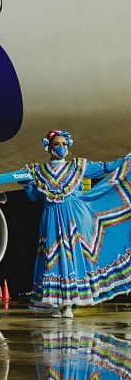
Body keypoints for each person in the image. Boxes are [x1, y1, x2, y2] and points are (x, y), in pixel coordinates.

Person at [22, 130, 131, 317]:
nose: (62, 148)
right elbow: (33, 197)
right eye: (57, 144)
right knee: (52, 255)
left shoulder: (77, 166)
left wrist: (125, 161)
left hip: (72, 215)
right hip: (50, 216)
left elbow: (105, 168)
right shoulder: (39, 171)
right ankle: (57, 302)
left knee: (70, 254)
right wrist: (27, 184)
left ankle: (69, 303)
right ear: (49, 147)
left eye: (65, 144)